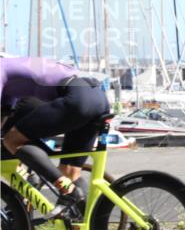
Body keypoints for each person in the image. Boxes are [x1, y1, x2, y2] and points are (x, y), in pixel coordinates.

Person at [1, 57, 110, 218]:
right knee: (70, 172)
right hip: (97, 96)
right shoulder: (11, 67)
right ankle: (90, 227)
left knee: (12, 140)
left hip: (76, 98)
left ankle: (66, 190)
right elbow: (4, 114)